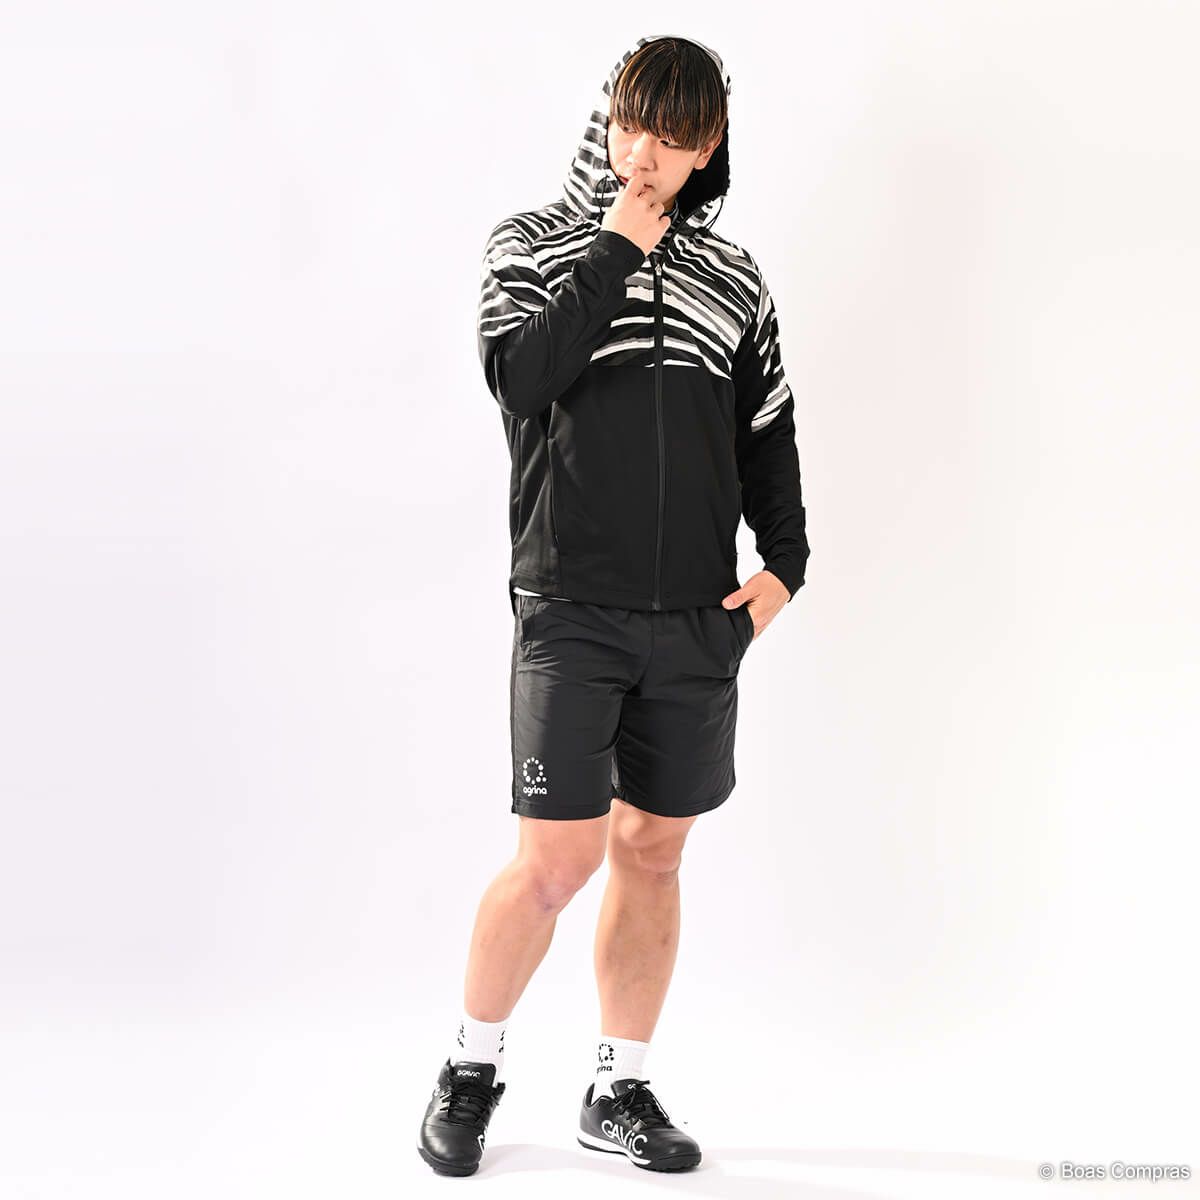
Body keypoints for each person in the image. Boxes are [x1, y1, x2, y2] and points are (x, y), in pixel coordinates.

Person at [418, 33, 810, 1177]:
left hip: (695, 621)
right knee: (555, 863)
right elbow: (518, 377)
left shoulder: (734, 280)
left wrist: (784, 567)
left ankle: (618, 1086)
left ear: (706, 148)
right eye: (634, 125)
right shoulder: (533, 245)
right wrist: (613, 250)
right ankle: (469, 1067)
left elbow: (768, 430)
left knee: (652, 853)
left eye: (673, 139)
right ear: (608, 116)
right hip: (569, 610)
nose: (645, 154)